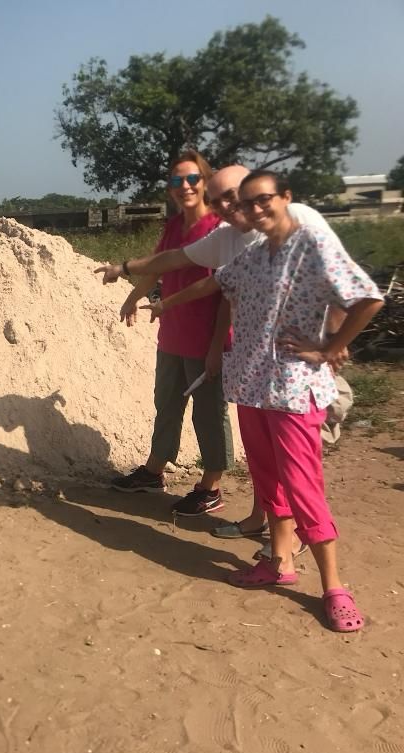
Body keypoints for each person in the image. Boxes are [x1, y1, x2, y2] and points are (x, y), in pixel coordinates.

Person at [145, 170, 384, 632]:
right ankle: (278, 562)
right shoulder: (252, 252)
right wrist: (164, 303)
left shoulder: (311, 241)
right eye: (241, 203)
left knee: (303, 486)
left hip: (294, 388)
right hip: (251, 384)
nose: (252, 210)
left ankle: (333, 586)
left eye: (261, 200)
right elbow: (213, 286)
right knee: (268, 479)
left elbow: (366, 298)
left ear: (285, 198)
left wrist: (332, 347)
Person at [96, 165, 350, 547]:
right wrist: (129, 274)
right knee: (263, 453)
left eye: (232, 195)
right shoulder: (229, 238)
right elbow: (193, 272)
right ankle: (263, 524)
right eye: (221, 200)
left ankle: (295, 542)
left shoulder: (299, 222)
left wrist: (334, 338)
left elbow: (342, 282)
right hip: (254, 363)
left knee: (293, 460)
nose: (229, 205)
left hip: (295, 370)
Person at [108, 150, 233, 518]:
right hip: (172, 336)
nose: (185, 187)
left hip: (206, 340)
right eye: (177, 181)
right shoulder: (174, 226)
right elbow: (159, 266)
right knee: (167, 406)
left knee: (209, 413)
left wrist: (216, 347)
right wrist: (133, 295)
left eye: (192, 179)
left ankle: (210, 487)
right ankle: (154, 471)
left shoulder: (218, 230)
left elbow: (227, 292)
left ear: (205, 183)